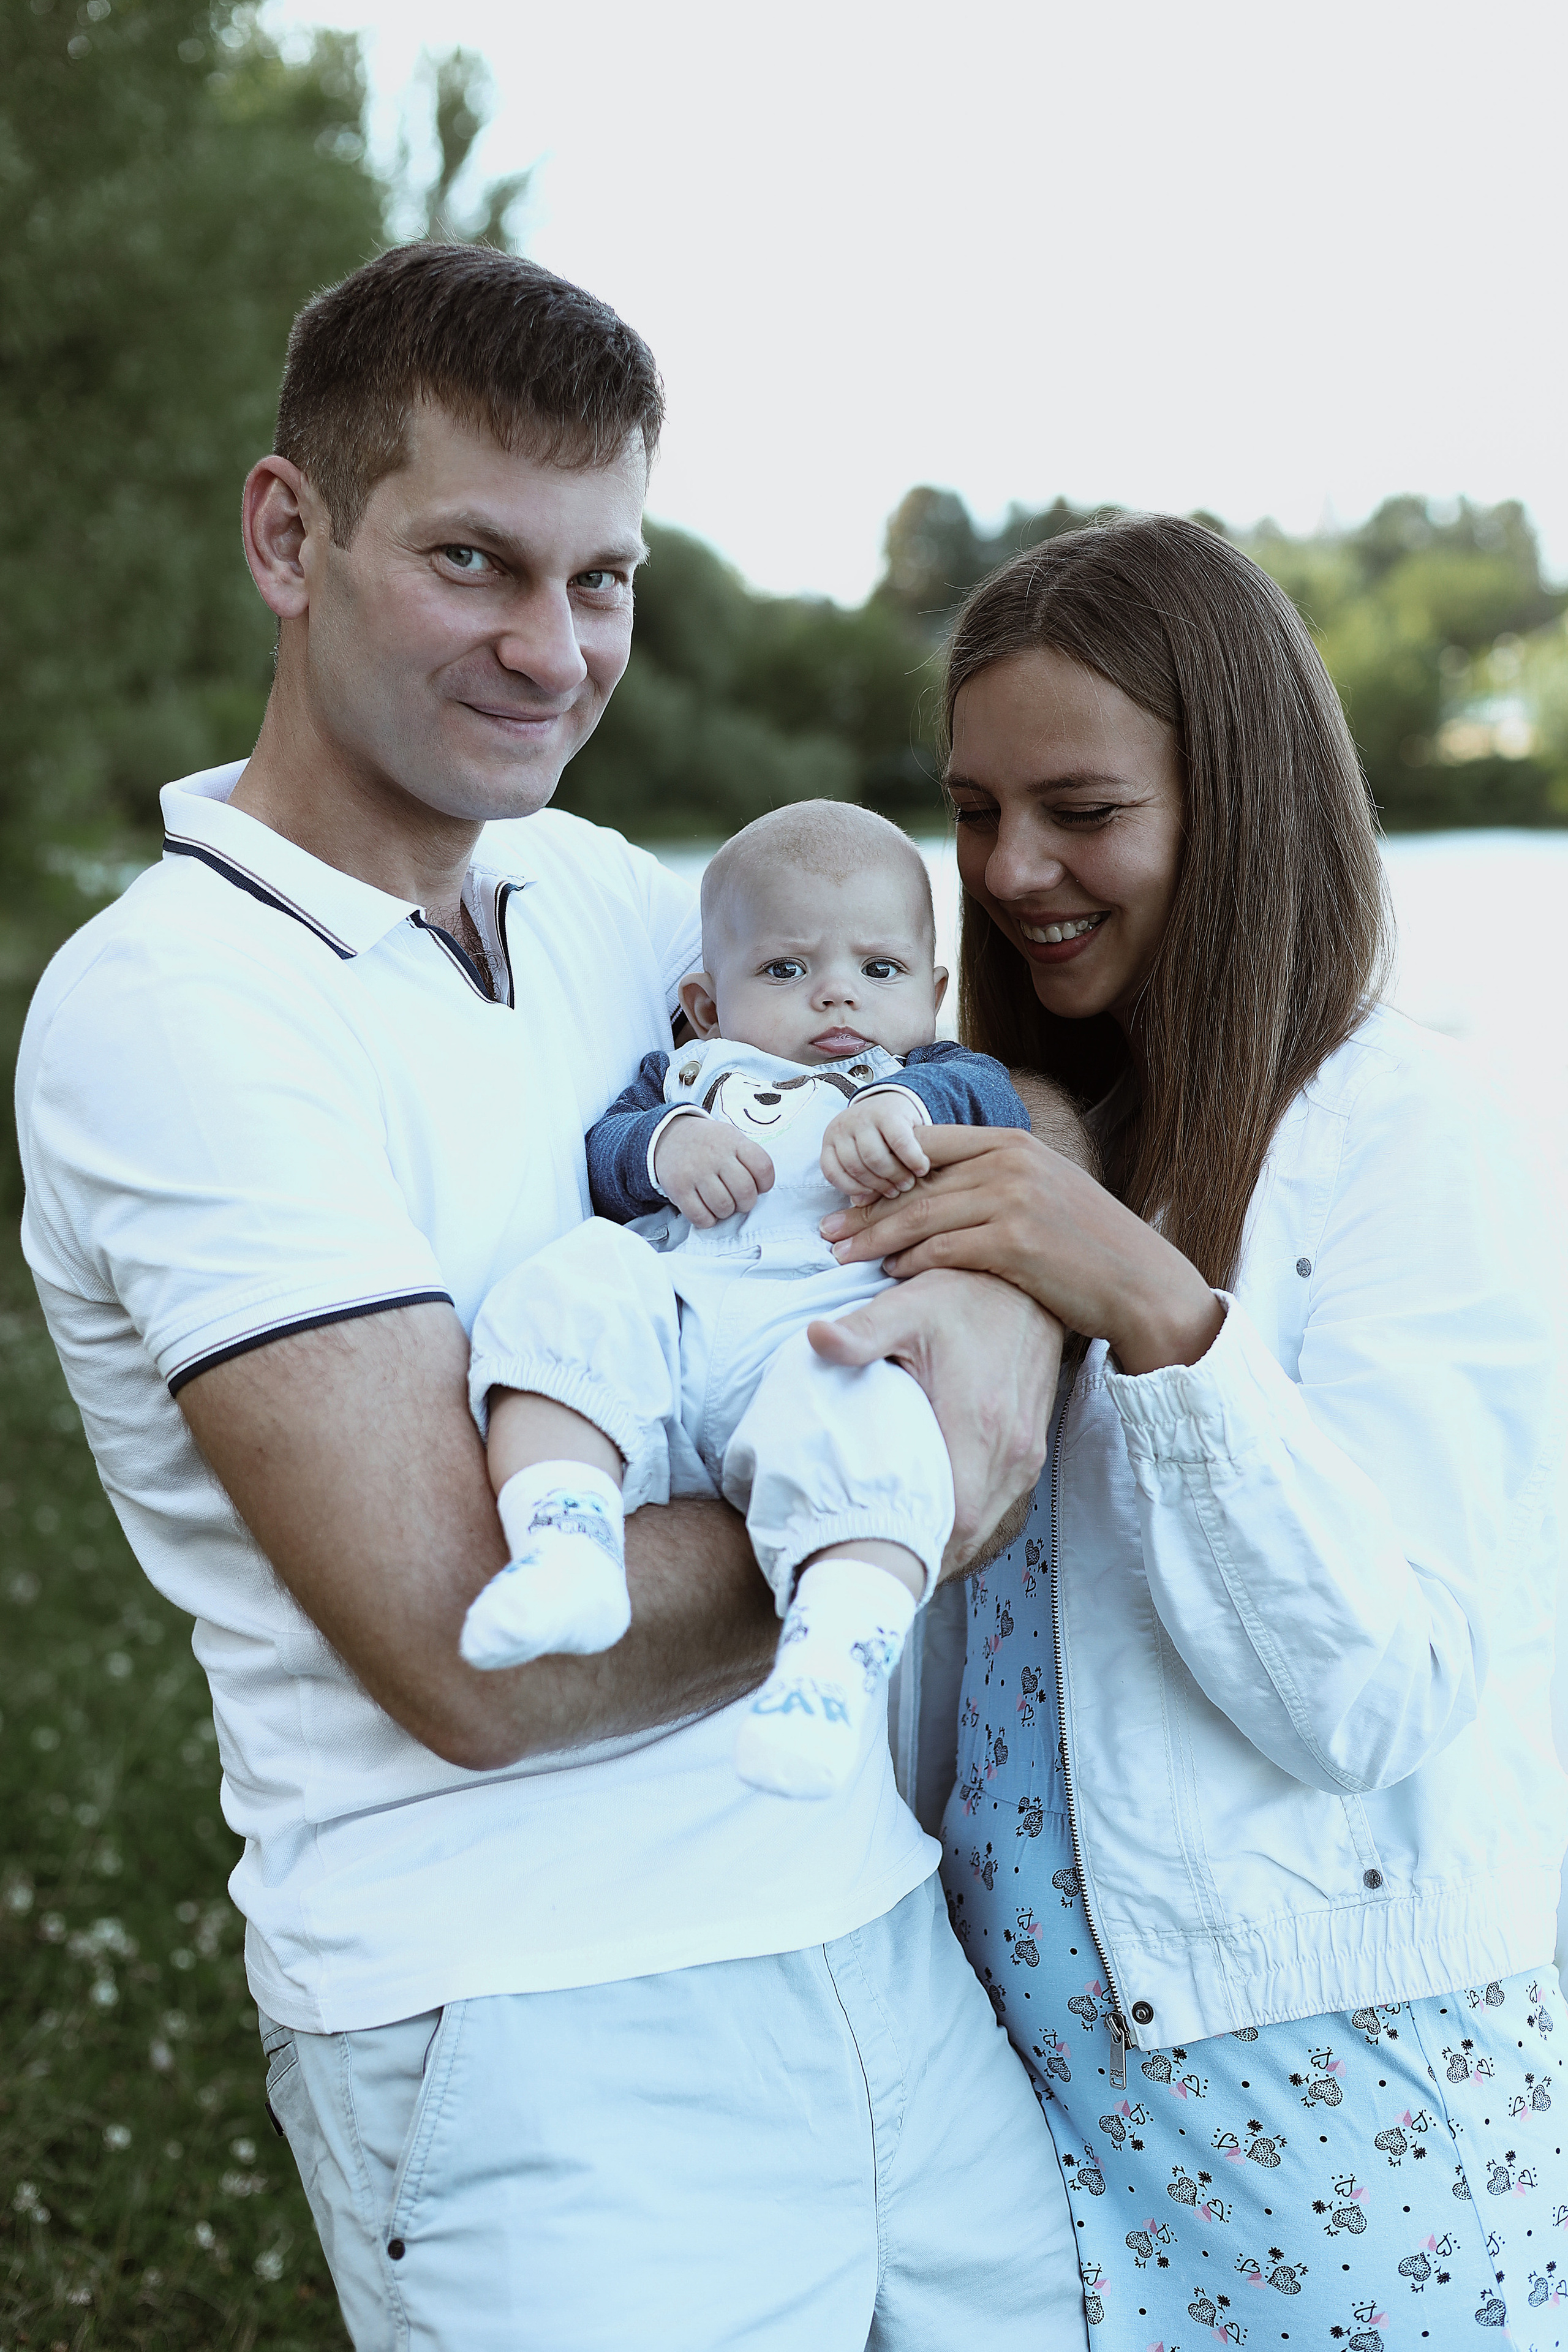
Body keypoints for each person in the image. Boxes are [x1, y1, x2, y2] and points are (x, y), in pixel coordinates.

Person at [14, 241, 1091, 2349]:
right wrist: (929, 1482)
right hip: (535, 2042)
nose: (551, 647)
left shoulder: (613, 898)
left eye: (602, 581)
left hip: (883, 1946)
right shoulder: (174, 1010)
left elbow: (969, 1084)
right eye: (477, 563)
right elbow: (467, 1656)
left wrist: (999, 1316)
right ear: (288, 535)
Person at [823, 513, 1568, 2345]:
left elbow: (1382, 1688)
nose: (1010, 870)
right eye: (975, 810)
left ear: (1234, 799)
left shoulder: (1406, 1132)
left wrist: (1158, 1313)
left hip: (1331, 2109)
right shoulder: (1029, 1130)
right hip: (1015, 2086)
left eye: (1081, 809)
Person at [458, 798, 1031, 1800]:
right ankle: (568, 1534)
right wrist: (664, 1146)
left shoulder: (923, 1077)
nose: (836, 998)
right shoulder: (689, 1077)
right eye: (785, 969)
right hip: (675, 1331)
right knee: (571, 1291)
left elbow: (996, 1112)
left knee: (878, 1433)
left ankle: (831, 1662)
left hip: (823, 1338)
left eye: (880, 970)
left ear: (932, 992)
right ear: (708, 1005)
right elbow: (605, 1156)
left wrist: (904, 1108)